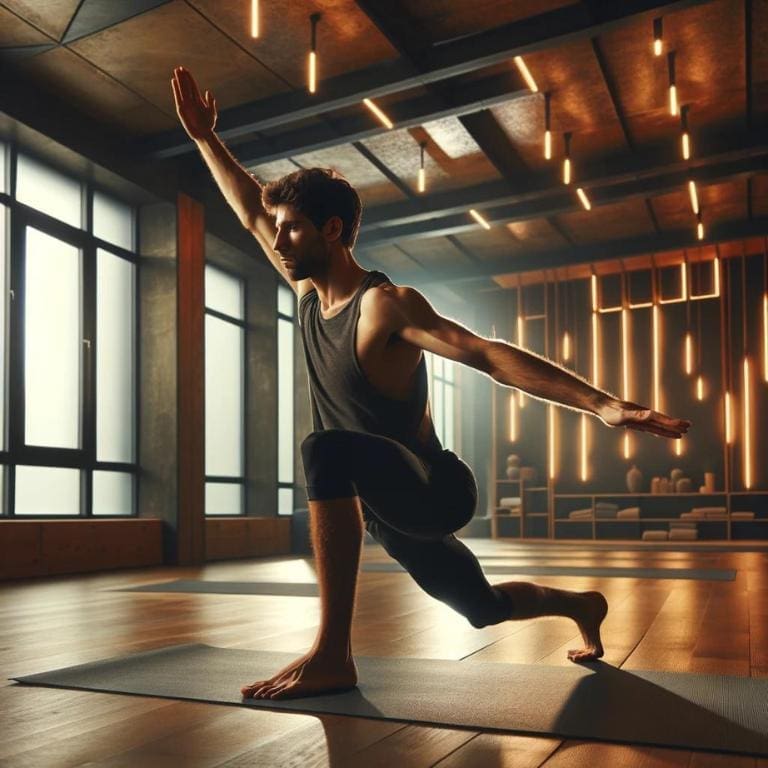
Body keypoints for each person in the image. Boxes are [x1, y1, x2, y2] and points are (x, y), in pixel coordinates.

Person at [170, 66, 691, 701]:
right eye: (277, 227)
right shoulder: (307, 294)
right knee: (482, 608)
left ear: (332, 231)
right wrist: (204, 139)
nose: (276, 238)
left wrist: (603, 404)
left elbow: (487, 355)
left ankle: (332, 655)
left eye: (293, 228)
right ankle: (580, 604)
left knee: (323, 448)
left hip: (437, 489)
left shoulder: (384, 306)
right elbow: (252, 207)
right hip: (390, 511)